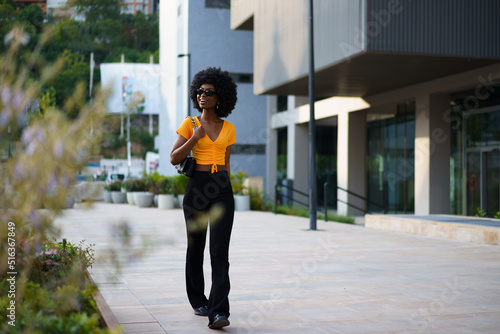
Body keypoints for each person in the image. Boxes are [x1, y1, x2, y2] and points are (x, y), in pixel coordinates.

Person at [170, 67, 237, 330]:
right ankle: (199, 300)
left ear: (220, 97)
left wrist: (228, 189)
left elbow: (227, 162)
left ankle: (219, 311)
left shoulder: (228, 128)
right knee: (195, 247)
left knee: (219, 251)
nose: (203, 96)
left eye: (208, 92)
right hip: (197, 188)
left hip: (221, 187)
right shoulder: (190, 124)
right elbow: (174, 158)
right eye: (199, 91)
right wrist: (194, 139)